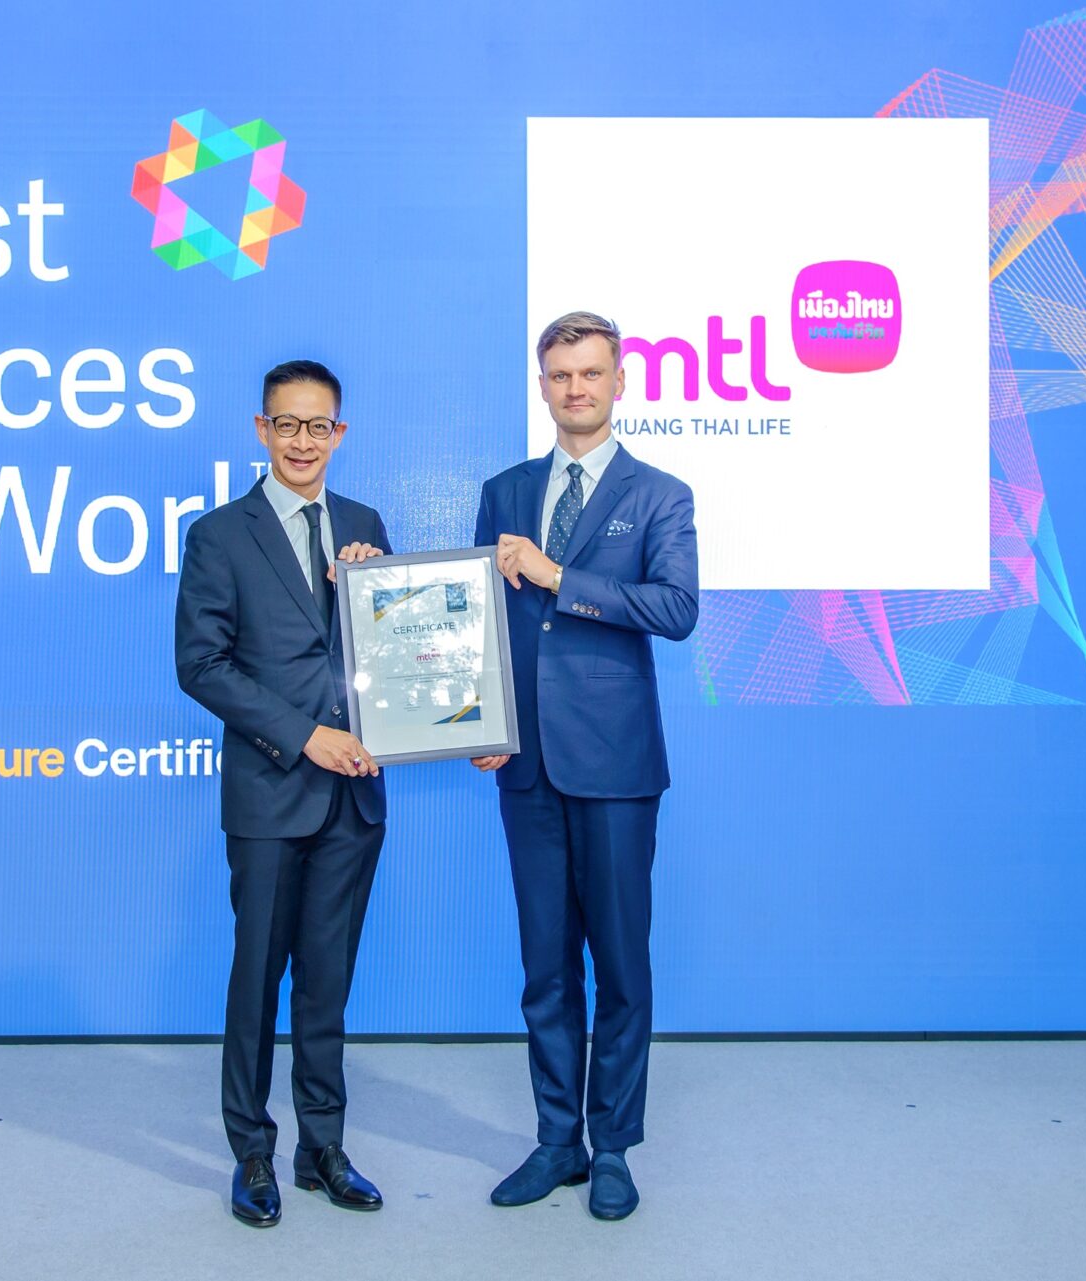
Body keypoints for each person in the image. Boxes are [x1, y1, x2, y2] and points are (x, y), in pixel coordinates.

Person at [471, 311, 698, 1221]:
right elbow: (479, 623)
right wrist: (477, 716)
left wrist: (559, 575)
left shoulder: (661, 493)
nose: (576, 388)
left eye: (591, 373)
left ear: (618, 381)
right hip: (523, 764)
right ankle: (557, 1140)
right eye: (560, 375)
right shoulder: (504, 490)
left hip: (616, 766)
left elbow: (675, 607)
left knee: (621, 967)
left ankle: (614, 1148)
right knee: (545, 968)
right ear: (542, 386)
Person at [175, 359, 392, 1228]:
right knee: (257, 979)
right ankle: (253, 1152)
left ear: (340, 433)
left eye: (319, 425)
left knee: (328, 982)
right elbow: (201, 664)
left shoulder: (365, 527)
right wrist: (304, 735)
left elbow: (392, 653)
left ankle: (323, 1148)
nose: (304, 441)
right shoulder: (218, 535)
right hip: (270, 791)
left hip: (354, 798)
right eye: (287, 424)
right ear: (261, 430)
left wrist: (369, 593)